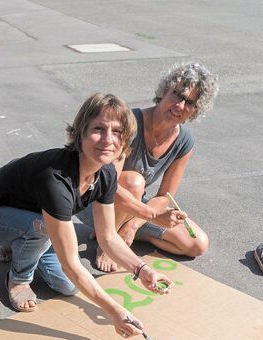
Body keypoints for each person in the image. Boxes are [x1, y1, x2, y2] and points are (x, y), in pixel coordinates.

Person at [0, 93, 178, 339]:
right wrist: (115, 311)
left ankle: (23, 246)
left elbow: (108, 237)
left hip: (35, 215)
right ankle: (18, 277)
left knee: (68, 286)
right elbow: (72, 263)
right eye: (99, 129)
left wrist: (142, 270)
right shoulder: (56, 177)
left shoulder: (105, 173)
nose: (108, 140)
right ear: (81, 132)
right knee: (42, 228)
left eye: (117, 132)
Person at [78, 62, 219, 272]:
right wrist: (147, 216)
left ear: (195, 111)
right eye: (177, 95)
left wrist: (134, 225)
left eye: (189, 102)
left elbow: (165, 197)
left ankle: (123, 232)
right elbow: (109, 184)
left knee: (197, 244)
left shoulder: (184, 141)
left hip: (132, 208)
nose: (180, 106)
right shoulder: (131, 122)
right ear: (164, 91)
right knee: (135, 182)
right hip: (97, 201)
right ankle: (107, 242)